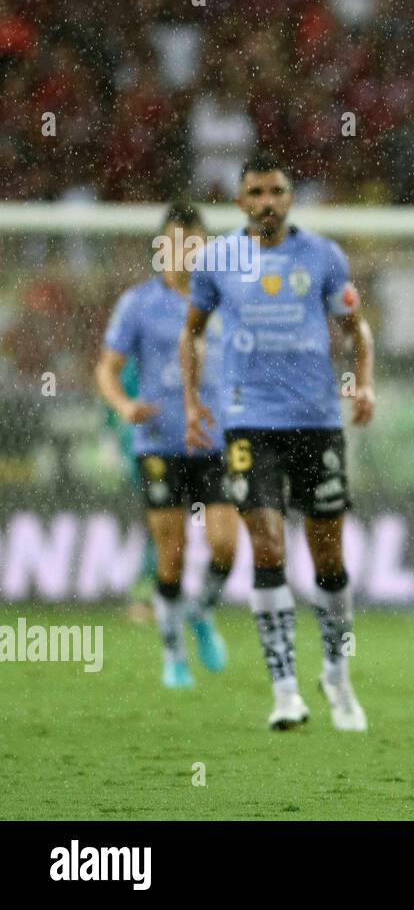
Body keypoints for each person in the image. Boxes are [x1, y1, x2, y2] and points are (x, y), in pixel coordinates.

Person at [181, 152, 376, 731]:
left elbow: (356, 329)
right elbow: (190, 335)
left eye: (277, 191)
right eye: (257, 193)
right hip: (248, 423)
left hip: (316, 422)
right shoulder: (216, 261)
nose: (267, 201)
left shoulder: (323, 256)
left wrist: (364, 384)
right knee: (266, 548)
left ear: (290, 198)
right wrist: (194, 402)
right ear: (240, 201)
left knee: (329, 558)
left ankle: (337, 675)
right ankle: (285, 688)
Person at [95, 203, 237, 687]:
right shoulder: (138, 304)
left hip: (215, 442)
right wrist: (124, 405)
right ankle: (173, 653)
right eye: (178, 243)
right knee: (171, 553)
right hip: (159, 443)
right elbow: (106, 370)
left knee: (225, 545)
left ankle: (200, 611)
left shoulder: (226, 303)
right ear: (162, 248)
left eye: (195, 244)